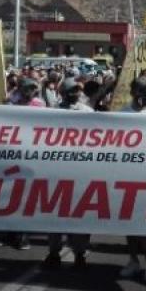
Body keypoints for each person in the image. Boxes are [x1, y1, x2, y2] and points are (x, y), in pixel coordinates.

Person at [118, 77, 146, 288]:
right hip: (127, 178)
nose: (143, 94)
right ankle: (133, 260)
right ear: (132, 91)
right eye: (139, 90)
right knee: (129, 223)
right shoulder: (121, 115)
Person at [46, 78, 92, 271]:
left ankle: (80, 253)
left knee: (80, 216)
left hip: (80, 172)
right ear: (63, 92)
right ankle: (54, 252)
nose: (76, 93)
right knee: (54, 215)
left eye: (78, 90)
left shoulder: (88, 112)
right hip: (57, 172)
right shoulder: (53, 112)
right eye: (72, 90)